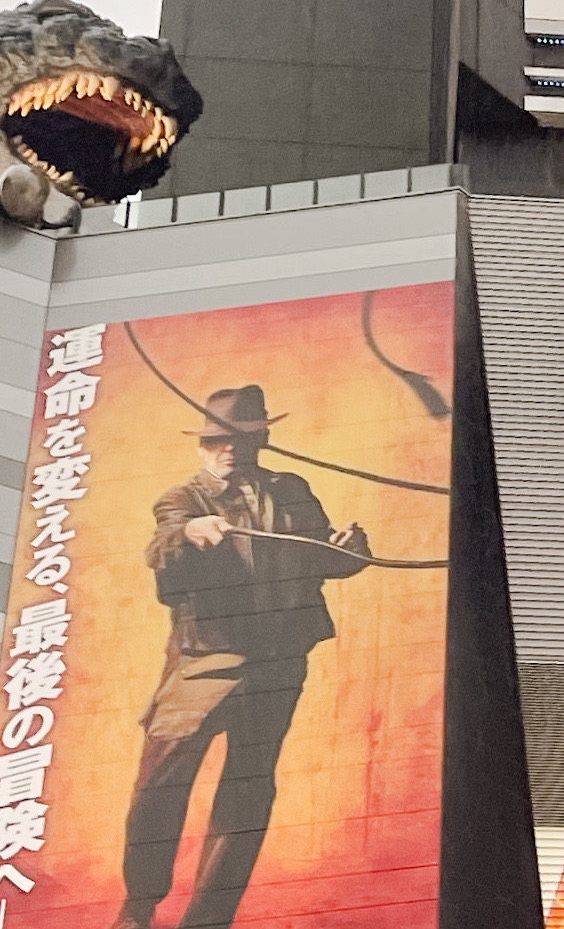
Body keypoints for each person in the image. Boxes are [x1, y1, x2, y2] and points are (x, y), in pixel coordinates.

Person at [116, 384, 368, 929]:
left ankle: (209, 919)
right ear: (202, 444)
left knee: (249, 787)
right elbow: (161, 545)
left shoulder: (293, 489)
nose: (226, 449)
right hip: (206, 663)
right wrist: (189, 532)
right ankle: (139, 907)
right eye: (215, 440)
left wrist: (353, 551)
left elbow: (324, 557)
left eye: (239, 438)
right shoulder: (183, 498)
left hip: (280, 661)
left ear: (262, 438)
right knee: (160, 783)